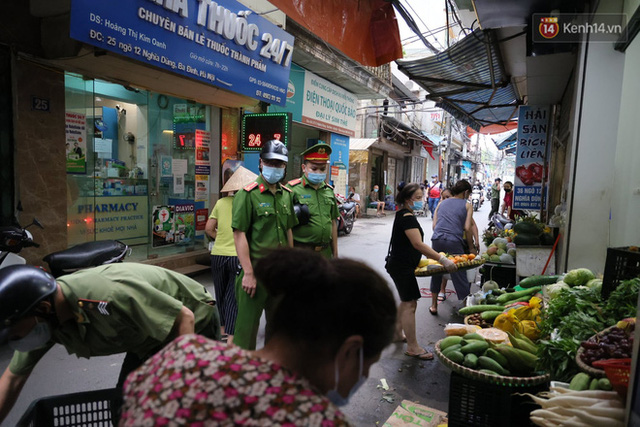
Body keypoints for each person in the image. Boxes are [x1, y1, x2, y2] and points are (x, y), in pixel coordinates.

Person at [120, 248, 397, 425]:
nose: (362, 378)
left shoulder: (180, 356)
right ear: (350, 352)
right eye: (368, 366)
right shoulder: (317, 419)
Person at [0, 263, 221, 423]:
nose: (14, 339)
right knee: (124, 406)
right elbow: (12, 379)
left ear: (43, 309)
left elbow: (185, 317)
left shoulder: (109, 295)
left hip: (191, 323)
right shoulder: (46, 321)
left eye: (14, 332)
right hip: (145, 339)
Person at [232, 140, 297, 350]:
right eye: (270, 162)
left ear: (284, 167)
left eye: (279, 164)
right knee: (246, 332)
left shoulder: (287, 195)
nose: (275, 168)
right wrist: (249, 273)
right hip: (256, 273)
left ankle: (270, 372)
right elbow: (239, 234)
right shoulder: (247, 194)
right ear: (261, 163)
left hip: (280, 273)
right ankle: (243, 377)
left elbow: (288, 231)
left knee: (278, 329)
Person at [385, 183, 457, 360]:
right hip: (402, 266)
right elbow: (418, 244)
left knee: (406, 300)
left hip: (400, 264)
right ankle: (413, 347)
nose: (422, 200)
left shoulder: (402, 213)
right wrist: (442, 259)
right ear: (408, 199)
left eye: (421, 196)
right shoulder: (407, 217)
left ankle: (396, 333)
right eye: (418, 197)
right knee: (410, 304)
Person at [205, 166, 257, 345]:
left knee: (219, 294)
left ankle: (221, 329)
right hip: (237, 256)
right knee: (232, 297)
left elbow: (209, 228)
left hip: (218, 254)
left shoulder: (220, 203)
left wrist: (220, 238)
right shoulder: (250, 203)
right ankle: (231, 335)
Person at [429, 180, 476, 315]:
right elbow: (467, 228)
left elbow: (434, 226)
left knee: (436, 270)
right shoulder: (467, 205)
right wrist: (471, 247)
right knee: (459, 272)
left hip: (437, 239)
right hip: (453, 241)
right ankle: (465, 309)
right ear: (466, 192)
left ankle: (433, 306)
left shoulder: (442, 203)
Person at [286, 143, 339, 258]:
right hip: (302, 253)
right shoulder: (292, 190)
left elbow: (333, 222)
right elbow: (286, 226)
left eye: (322, 169)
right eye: (314, 168)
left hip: (325, 253)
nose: (318, 172)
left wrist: (335, 253)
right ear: (304, 168)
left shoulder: (328, 191)